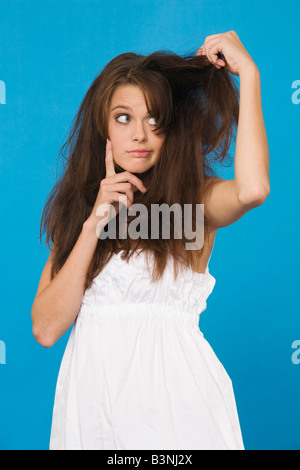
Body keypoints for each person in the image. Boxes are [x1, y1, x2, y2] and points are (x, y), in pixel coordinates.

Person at [31, 31, 270, 450]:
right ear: (103, 127)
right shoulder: (79, 215)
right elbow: (47, 329)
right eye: (123, 118)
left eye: (154, 119)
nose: (139, 134)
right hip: (96, 417)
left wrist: (248, 74)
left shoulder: (194, 201)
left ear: (169, 129)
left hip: (179, 416)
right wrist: (94, 225)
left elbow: (252, 190)